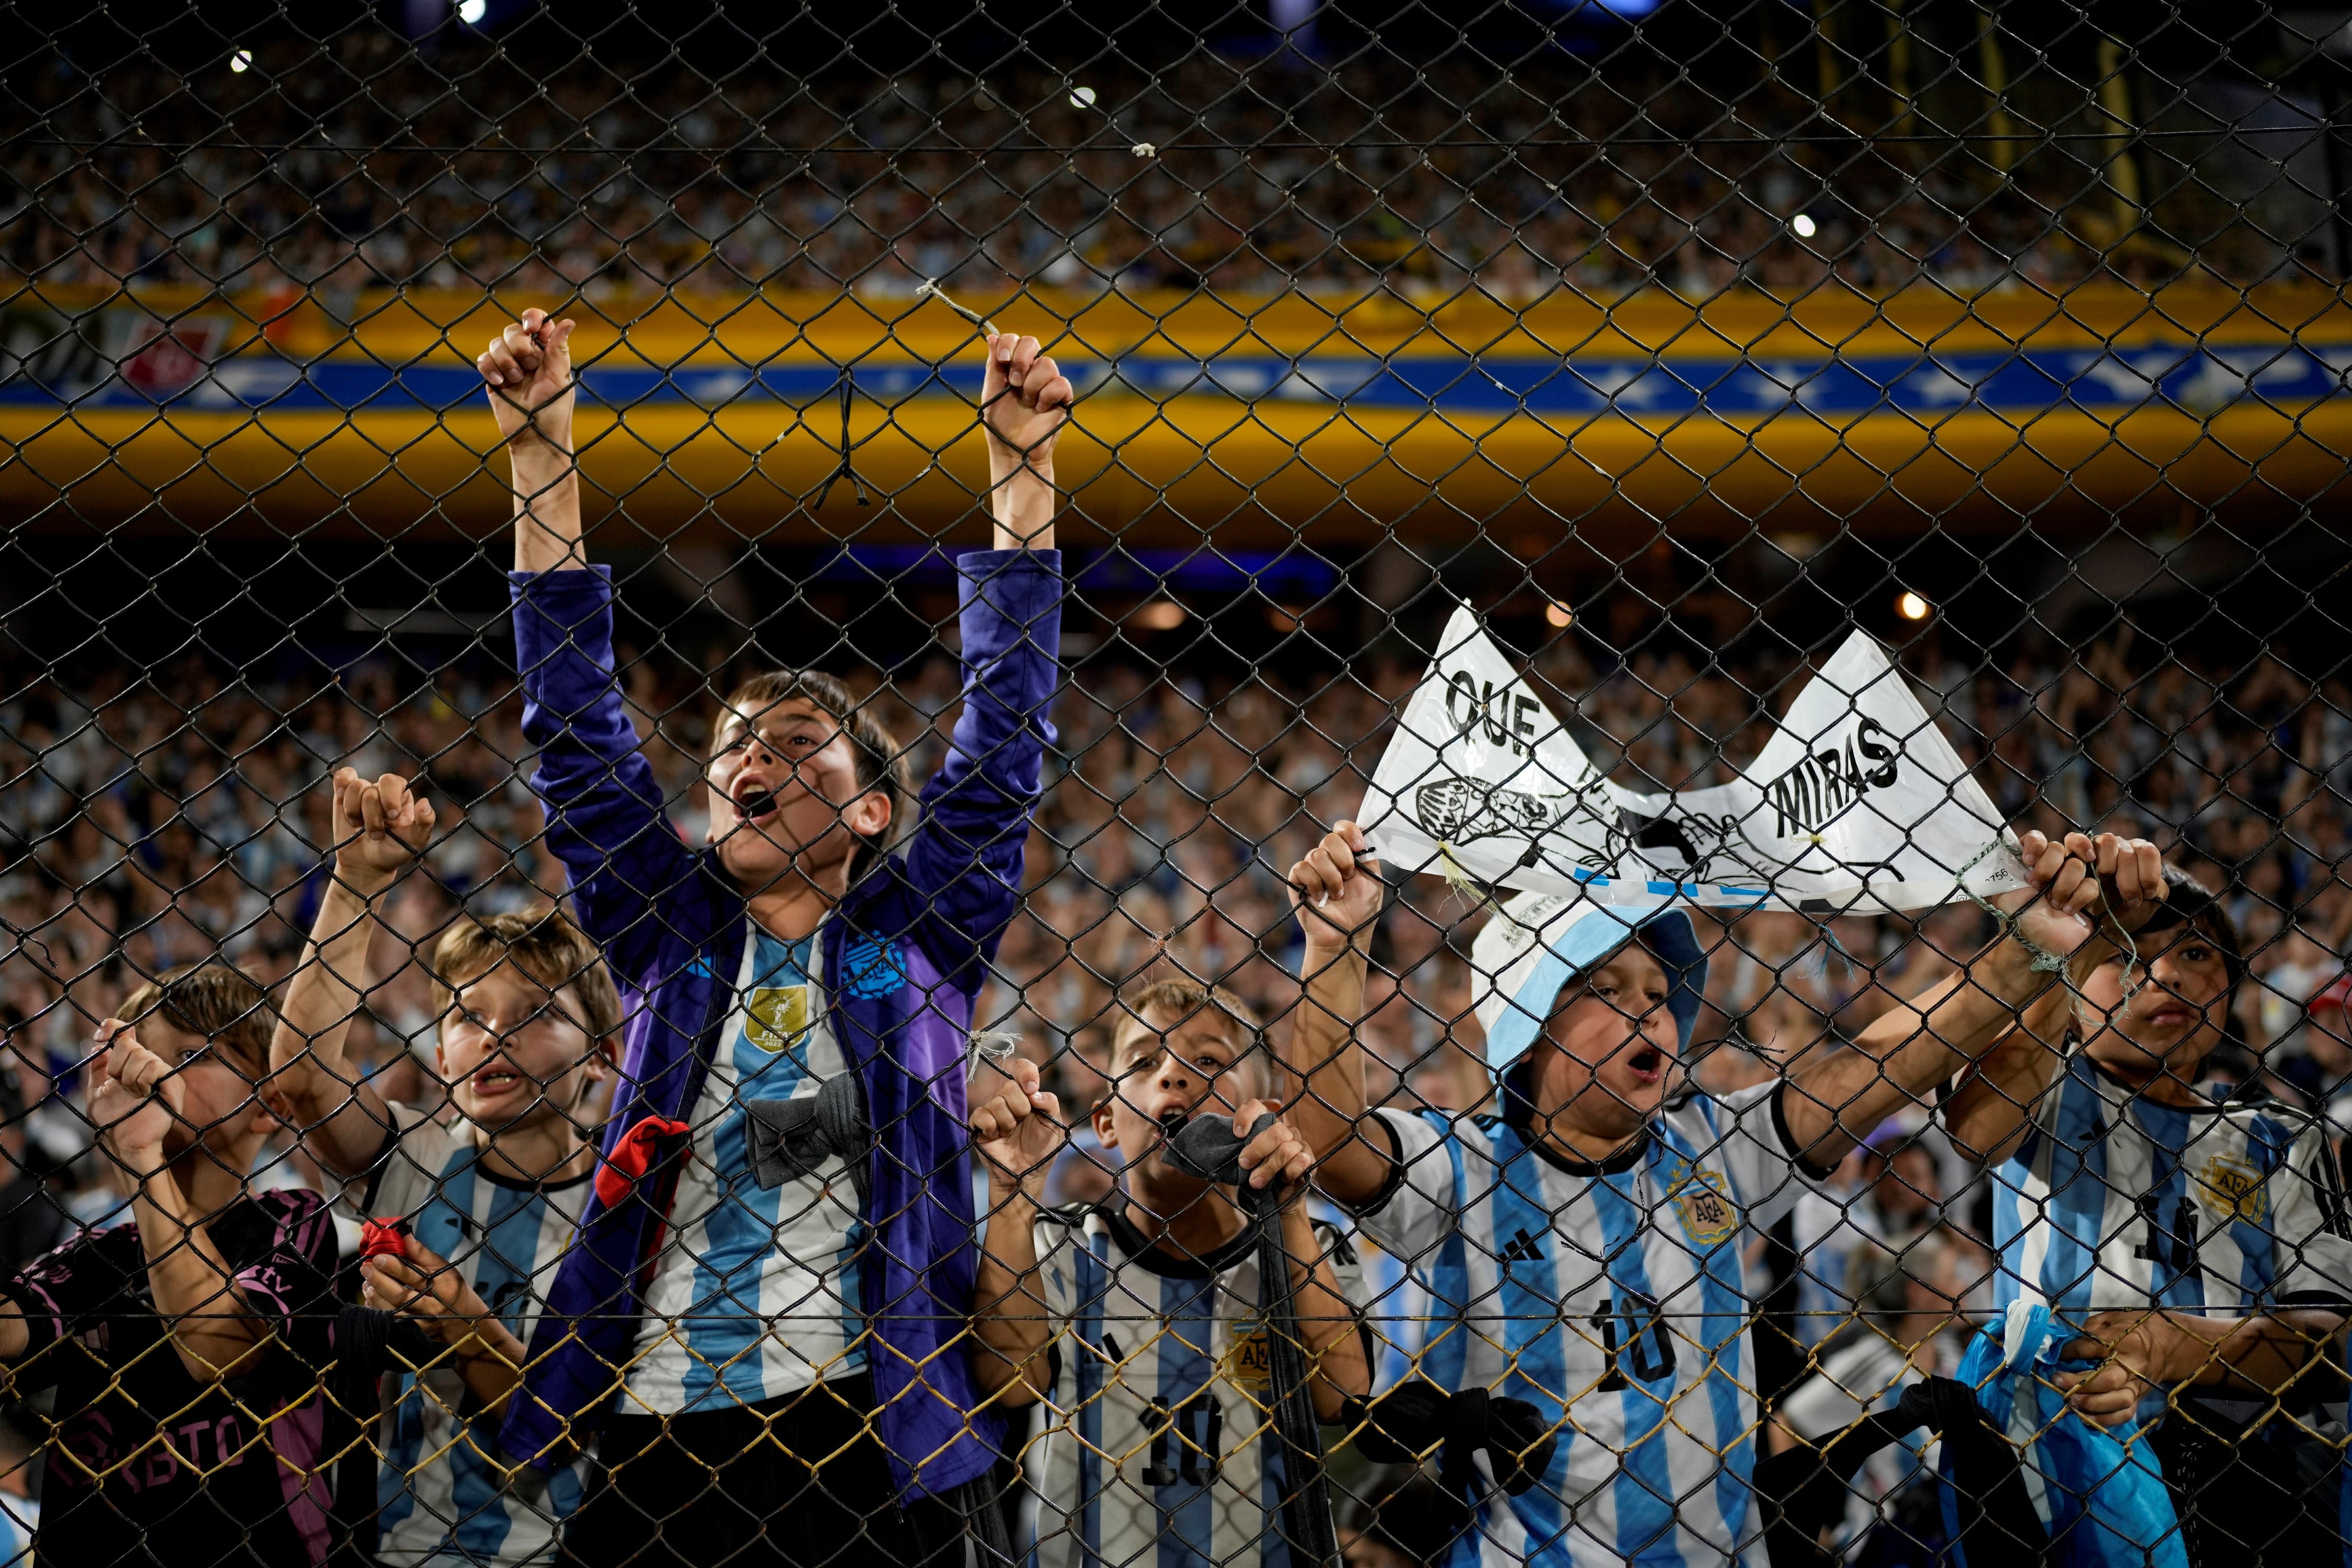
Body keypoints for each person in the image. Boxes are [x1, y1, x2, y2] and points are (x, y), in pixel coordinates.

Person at [477, 308, 1069, 1565]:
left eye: (797, 743)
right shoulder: (664, 925)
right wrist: (540, 460)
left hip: (864, 1423)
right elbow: (576, 735)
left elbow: (1000, 748)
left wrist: (1021, 475)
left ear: (865, 810)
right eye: (736, 739)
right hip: (652, 1419)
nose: (753, 751)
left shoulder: (921, 930)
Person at [1277, 821, 2140, 1566]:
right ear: (1525, 1028)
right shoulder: (1461, 1166)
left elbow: (1884, 1063)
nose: (1649, 1012)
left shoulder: (1712, 1145)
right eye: (1604, 990)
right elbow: (1328, 1138)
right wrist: (1335, 946)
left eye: (1659, 994)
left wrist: (2029, 949)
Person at [1945, 862, 2352, 1563]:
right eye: (2126, 955)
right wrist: (2065, 953)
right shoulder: (2045, 1088)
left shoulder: (2284, 1134)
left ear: (2229, 981)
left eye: (2195, 952)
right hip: (2064, 1456)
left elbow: (2328, 1341)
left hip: (2251, 1476)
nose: (2166, 976)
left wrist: (2170, 1347)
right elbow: (1975, 1128)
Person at [267, 767, 619, 1566]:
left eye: (533, 1015)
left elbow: (561, 1435)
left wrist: (465, 1325)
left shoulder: (630, 1206)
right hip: (406, 1553)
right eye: (466, 1017)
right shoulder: (414, 1153)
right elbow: (301, 1080)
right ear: (438, 1050)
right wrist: (357, 882)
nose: (493, 1037)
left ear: (602, 1056)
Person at [966, 979, 1369, 1567]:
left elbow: (1342, 1396)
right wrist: (1012, 1195)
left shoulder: (1313, 1246)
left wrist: (1286, 1210)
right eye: (1145, 1061)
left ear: (1264, 1115)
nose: (1174, 1074)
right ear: (1106, 1124)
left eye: (1208, 1059)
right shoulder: (1062, 1247)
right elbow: (1007, 1380)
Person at [0, 962, 339, 1566]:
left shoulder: (292, 1221)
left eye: (190, 1054)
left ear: (269, 1104)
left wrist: (141, 1157)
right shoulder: (98, 1255)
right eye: (138, 1058)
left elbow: (215, 1348)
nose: (151, 1075)